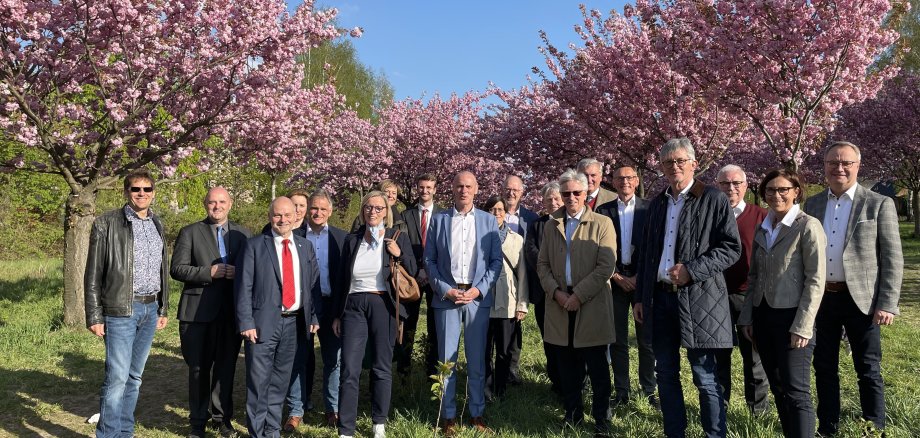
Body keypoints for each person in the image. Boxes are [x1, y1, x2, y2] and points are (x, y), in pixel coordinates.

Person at [634, 138, 741, 438]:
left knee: (705, 376)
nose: (674, 167)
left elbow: (731, 248)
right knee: (665, 374)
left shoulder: (713, 198)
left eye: (681, 161)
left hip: (700, 299)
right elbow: (646, 256)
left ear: (694, 163)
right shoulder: (656, 203)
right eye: (668, 162)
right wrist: (641, 297)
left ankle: (714, 434)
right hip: (660, 299)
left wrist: (691, 271)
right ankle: (675, 433)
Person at [804, 141, 903, 436]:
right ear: (824, 167)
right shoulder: (813, 204)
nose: (840, 168)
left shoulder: (878, 204)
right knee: (823, 367)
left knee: (868, 369)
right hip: (823, 299)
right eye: (833, 162)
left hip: (862, 300)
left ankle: (874, 426)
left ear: (858, 166)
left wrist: (887, 303)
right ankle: (828, 426)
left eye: (846, 162)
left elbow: (892, 258)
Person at [738, 169, 827, 437]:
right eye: (770, 191)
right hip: (764, 317)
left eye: (783, 190)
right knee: (777, 387)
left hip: (793, 319)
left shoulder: (807, 225)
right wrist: (747, 317)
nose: (776, 195)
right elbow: (754, 277)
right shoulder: (764, 226)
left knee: (796, 391)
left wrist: (803, 325)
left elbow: (816, 280)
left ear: (796, 191)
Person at [85, 170, 170, 438]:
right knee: (117, 378)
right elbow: (93, 273)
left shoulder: (158, 224)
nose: (141, 194)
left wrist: (163, 308)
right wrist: (94, 315)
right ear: (126, 192)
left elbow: (161, 270)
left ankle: (125, 432)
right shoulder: (107, 223)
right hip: (121, 310)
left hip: (149, 309)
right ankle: (108, 434)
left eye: (146, 189)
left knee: (134, 377)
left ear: (154, 193)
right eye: (136, 189)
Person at [537, 169, 617, 436]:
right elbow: (543, 265)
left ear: (585, 194)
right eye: (566, 193)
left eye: (576, 193)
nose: (571, 197)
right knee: (567, 365)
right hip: (559, 303)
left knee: (597, 369)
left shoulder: (602, 224)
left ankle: (602, 421)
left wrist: (578, 295)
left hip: (591, 303)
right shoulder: (551, 225)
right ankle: (573, 415)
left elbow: (606, 266)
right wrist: (558, 294)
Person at [332, 191, 416, 438]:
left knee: (381, 366)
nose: (373, 212)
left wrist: (398, 254)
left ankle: (379, 422)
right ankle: (346, 429)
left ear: (386, 212)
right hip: (353, 305)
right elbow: (341, 280)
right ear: (363, 211)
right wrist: (337, 314)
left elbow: (412, 269)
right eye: (369, 207)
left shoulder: (396, 237)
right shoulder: (352, 240)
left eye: (379, 208)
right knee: (349, 368)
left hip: (383, 303)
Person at [235, 197, 321, 438]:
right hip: (262, 325)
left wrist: (314, 315)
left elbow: (313, 286)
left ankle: (272, 430)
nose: (282, 220)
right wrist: (246, 322)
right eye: (277, 215)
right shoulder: (254, 246)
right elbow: (243, 287)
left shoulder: (305, 247)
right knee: (258, 382)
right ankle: (257, 432)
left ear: (296, 217)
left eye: (287, 215)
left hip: (295, 324)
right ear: (269, 216)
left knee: (280, 382)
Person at [425, 171, 503, 436]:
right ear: (452, 188)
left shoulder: (488, 221)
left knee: (477, 360)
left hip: (475, 299)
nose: (463, 190)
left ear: (476, 189)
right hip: (447, 298)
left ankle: (477, 413)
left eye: (468, 186)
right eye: (459, 186)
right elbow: (429, 261)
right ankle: (447, 416)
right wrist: (446, 290)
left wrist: (478, 290)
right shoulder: (439, 220)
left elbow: (495, 262)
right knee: (446, 360)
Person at [171, 187, 251, 438]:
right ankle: (197, 422)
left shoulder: (243, 234)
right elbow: (177, 269)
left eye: (222, 202)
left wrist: (241, 273)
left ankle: (222, 419)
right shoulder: (190, 232)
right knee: (198, 369)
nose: (217, 207)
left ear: (231, 204)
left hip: (230, 313)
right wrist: (209, 272)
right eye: (212, 202)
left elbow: (252, 270)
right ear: (205, 204)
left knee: (226, 369)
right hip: (197, 313)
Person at [284, 190, 347, 431]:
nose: (318, 213)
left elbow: (346, 278)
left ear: (330, 211)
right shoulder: (294, 236)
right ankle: (296, 410)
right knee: (298, 358)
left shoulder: (342, 238)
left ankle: (332, 409)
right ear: (307, 210)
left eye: (322, 209)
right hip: (302, 306)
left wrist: (341, 312)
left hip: (332, 308)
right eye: (313, 208)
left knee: (333, 360)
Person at [596, 165, 657, 408]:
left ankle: (649, 389)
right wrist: (615, 275)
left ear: (636, 180)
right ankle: (622, 390)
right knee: (617, 339)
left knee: (646, 339)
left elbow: (655, 246)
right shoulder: (603, 210)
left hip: (642, 281)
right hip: (615, 281)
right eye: (620, 178)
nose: (625, 182)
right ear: (613, 181)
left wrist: (640, 277)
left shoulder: (650, 207)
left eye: (630, 178)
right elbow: (597, 248)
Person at [714, 165, 770, 415]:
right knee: (718, 356)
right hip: (715, 295)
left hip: (749, 295)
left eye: (737, 183)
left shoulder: (761, 216)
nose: (731, 188)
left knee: (754, 356)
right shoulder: (710, 215)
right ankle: (718, 407)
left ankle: (757, 411)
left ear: (746, 186)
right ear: (718, 186)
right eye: (725, 183)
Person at [482, 195, 529, 399]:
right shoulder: (477, 236)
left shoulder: (516, 238)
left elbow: (523, 274)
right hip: (482, 300)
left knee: (503, 350)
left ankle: (500, 389)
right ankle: (485, 387)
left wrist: (522, 304)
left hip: (507, 300)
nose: (497, 213)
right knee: (483, 350)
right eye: (492, 209)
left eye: (500, 209)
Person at [398, 173, 443, 377]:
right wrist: (417, 271)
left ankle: (431, 369)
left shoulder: (444, 215)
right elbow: (404, 246)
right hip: (412, 277)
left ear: (434, 190)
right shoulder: (405, 216)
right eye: (421, 187)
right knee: (409, 323)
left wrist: (430, 270)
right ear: (417, 188)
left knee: (435, 324)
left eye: (428, 187)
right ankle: (404, 368)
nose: (424, 191)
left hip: (436, 276)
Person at [524, 181, 564, 395]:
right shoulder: (537, 225)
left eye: (557, 198)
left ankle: (575, 380)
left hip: (567, 291)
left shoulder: (571, 222)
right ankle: (555, 381)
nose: (553, 202)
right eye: (549, 199)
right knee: (548, 338)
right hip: (543, 292)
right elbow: (531, 251)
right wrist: (548, 273)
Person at [501, 175, 539, 383]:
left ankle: (512, 369)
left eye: (515, 190)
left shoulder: (531, 218)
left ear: (522, 193)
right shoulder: (491, 214)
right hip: (497, 279)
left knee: (516, 324)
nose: (511, 193)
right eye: (507, 189)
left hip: (523, 279)